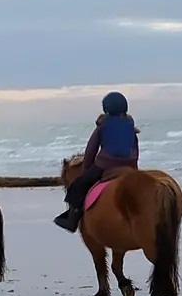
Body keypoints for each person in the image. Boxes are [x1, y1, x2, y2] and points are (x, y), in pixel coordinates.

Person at [55, 92, 140, 231]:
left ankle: (72, 218)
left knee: (77, 186)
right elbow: (135, 152)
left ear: (106, 109)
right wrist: (134, 169)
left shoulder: (102, 127)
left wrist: (85, 172)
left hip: (105, 166)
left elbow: (90, 151)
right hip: (129, 166)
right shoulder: (131, 127)